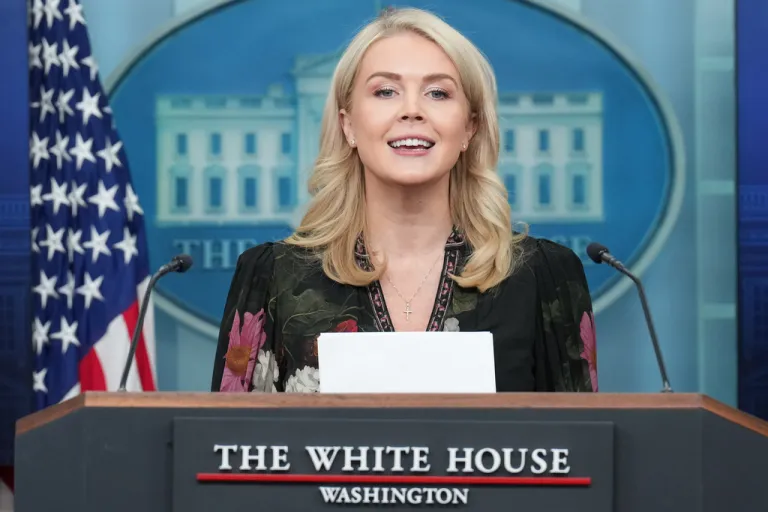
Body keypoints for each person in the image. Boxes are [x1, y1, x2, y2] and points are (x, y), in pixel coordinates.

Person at [210, 7, 598, 394]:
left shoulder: (545, 277)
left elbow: (579, 447)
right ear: (348, 125)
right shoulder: (271, 277)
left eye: (438, 93)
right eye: (385, 91)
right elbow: (228, 445)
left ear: (469, 128)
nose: (412, 110)